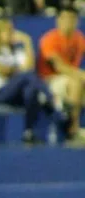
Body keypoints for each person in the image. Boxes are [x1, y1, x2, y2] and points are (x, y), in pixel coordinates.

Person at [37, 6, 85, 143]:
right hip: (49, 81)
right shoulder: (49, 39)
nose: (69, 22)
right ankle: (72, 130)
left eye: (72, 19)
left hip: (72, 78)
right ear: (58, 20)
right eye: (65, 18)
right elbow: (59, 66)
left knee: (76, 82)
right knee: (76, 82)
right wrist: (81, 75)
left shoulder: (79, 39)